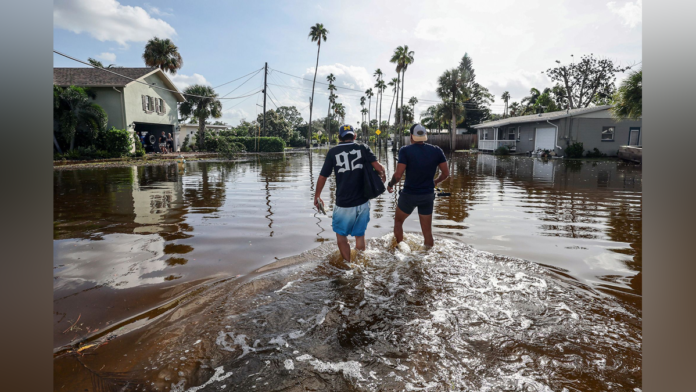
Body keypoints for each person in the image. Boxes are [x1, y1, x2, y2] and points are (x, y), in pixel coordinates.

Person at [314, 124, 386, 261]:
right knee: (360, 236)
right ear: (354, 136)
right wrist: (383, 176)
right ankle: (359, 263)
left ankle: (348, 266)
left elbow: (323, 176)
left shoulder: (333, 152)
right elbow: (379, 168)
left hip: (343, 203)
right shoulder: (362, 147)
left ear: (339, 137)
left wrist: (317, 195)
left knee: (341, 236)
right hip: (363, 201)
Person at [387, 124, 449, 249]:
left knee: (398, 222)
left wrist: (390, 184)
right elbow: (446, 173)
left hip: (409, 195)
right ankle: (427, 255)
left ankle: (400, 249)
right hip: (427, 196)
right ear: (425, 136)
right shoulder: (437, 151)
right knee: (427, 233)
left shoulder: (405, 150)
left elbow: (398, 175)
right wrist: (435, 182)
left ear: (411, 136)